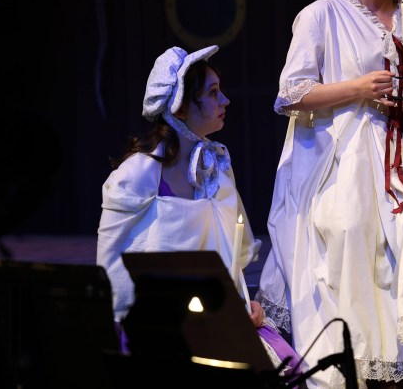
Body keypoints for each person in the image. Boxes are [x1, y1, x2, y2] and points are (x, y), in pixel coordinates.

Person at [254, 0, 403, 389]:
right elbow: (290, 95)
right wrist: (358, 89)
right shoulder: (321, 15)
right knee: (349, 229)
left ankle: (393, 363)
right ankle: (350, 365)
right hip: (340, 155)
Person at [97, 46, 298, 375]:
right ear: (179, 109)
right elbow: (110, 269)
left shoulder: (215, 170)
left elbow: (229, 257)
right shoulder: (138, 174)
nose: (225, 101)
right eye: (213, 93)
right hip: (161, 331)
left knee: (289, 373)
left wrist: (243, 304)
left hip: (218, 319)